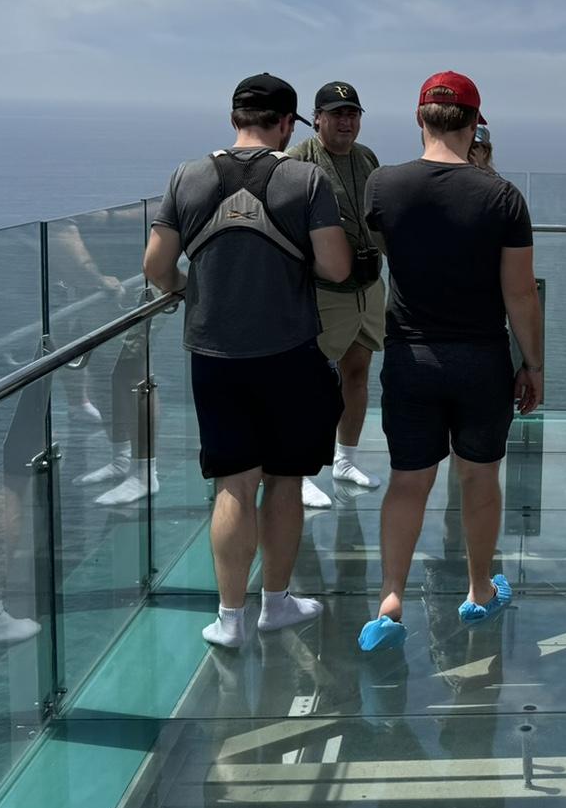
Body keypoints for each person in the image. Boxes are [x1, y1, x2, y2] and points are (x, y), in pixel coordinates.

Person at [144, 73, 351, 648]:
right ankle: (276, 604)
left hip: (214, 354)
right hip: (288, 352)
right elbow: (335, 267)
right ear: (286, 123)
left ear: (235, 117)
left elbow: (156, 267)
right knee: (285, 482)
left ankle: (230, 619)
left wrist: (191, 289)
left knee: (234, 485)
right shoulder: (305, 179)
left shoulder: (187, 176)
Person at [359, 71, 543, 651]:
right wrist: (533, 364)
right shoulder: (502, 196)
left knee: (407, 481)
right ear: (474, 123)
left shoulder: (382, 186)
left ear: (420, 118)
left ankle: (391, 599)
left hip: (410, 356)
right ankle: (478, 590)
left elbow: (390, 251)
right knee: (479, 477)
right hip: (481, 358)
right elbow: (519, 293)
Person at [287, 80, 385, 506]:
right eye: (337, 113)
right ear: (318, 118)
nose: (346, 121)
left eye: (353, 113)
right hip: (323, 290)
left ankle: (345, 459)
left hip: (367, 286)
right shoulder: (298, 162)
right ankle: (301, 469)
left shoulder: (368, 159)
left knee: (358, 372)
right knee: (310, 382)